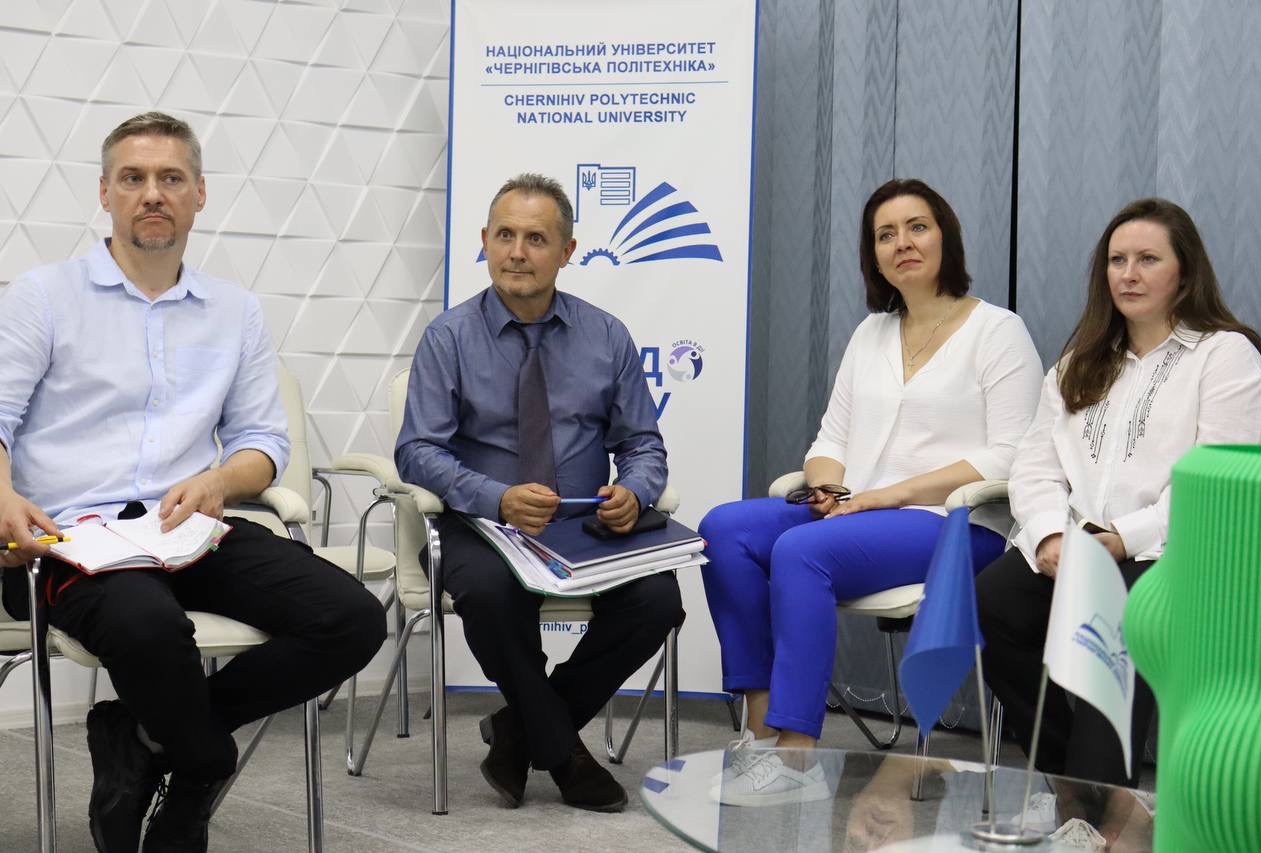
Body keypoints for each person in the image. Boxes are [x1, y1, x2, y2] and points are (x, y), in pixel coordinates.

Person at [0, 112, 385, 853]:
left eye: (171, 178)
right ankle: (203, 763)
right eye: (134, 178)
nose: (153, 193)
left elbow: (263, 444)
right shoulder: (44, 297)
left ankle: (143, 734)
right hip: (71, 537)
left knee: (352, 618)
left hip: (187, 527)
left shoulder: (234, 312)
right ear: (106, 193)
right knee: (149, 626)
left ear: (199, 194)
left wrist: (220, 480)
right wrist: (4, 496)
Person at [699, 178, 1044, 806]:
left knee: (801, 551)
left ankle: (797, 756)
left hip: (957, 525)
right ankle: (761, 725)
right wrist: (829, 489)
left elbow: (1013, 453)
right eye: (886, 234)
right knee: (725, 528)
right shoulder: (873, 334)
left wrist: (889, 496)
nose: (902, 243)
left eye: (917, 227)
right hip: (856, 515)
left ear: (946, 238)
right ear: (874, 256)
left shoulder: (997, 330)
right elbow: (831, 436)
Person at [394, 173, 684, 812]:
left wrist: (634, 492)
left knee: (658, 599)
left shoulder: (606, 336)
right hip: (481, 527)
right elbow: (416, 451)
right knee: (491, 594)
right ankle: (564, 755)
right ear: (484, 241)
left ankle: (519, 730)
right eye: (505, 236)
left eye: (536, 239)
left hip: (583, 528)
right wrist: (495, 497)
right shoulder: (448, 337)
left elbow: (643, 444)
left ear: (567, 251)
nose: (517, 253)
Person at [976, 197, 1261, 788]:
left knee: (1113, 616)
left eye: (1147, 259)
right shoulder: (1079, 362)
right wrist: (1050, 537)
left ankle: (1095, 811)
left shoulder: (1225, 355)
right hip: (1077, 544)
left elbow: (1217, 482)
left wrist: (1122, 539)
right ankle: (1073, 781)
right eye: (1117, 260)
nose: (1129, 274)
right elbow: (1034, 466)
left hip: (1174, 553)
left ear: (1185, 272)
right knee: (989, 603)